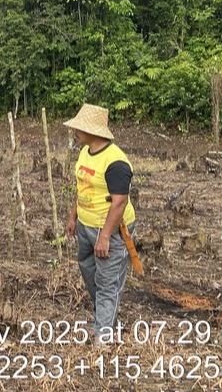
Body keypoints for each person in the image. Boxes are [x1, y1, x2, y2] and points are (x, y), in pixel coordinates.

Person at [63, 103, 135, 343]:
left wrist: (105, 236)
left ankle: (104, 333)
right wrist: (73, 217)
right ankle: (103, 320)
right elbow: (82, 186)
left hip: (110, 230)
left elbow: (120, 202)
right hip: (85, 226)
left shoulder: (116, 162)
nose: (76, 131)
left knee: (107, 282)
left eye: (80, 128)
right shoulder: (85, 152)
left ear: (93, 131)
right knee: (89, 272)